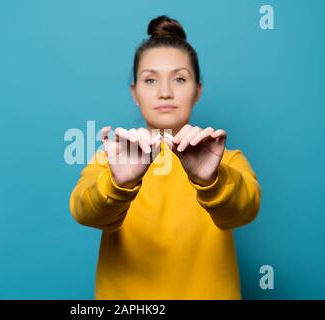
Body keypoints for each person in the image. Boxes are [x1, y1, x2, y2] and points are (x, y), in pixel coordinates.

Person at [69, 15, 261, 299]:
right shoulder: (110, 160)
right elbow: (84, 212)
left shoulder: (228, 161)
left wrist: (212, 180)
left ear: (198, 90)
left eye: (180, 79)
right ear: (134, 93)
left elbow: (244, 211)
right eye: (150, 80)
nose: (165, 93)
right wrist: (118, 184)